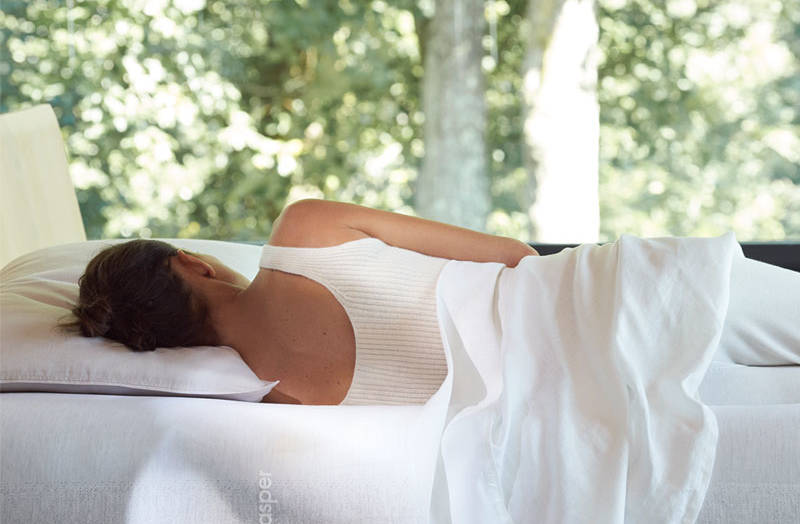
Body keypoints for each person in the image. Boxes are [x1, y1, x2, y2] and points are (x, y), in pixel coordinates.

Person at [62, 199, 800, 405]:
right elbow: (514, 253)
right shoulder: (304, 230)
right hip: (634, 301)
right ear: (192, 263)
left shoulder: (283, 400)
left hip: (609, 395)